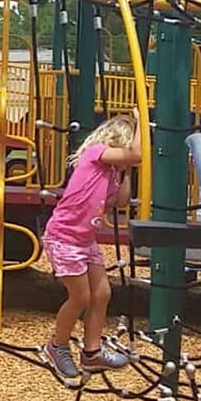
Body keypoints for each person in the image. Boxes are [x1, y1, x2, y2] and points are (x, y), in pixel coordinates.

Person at [42, 107, 142, 378]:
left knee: (102, 294)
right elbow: (137, 153)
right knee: (81, 296)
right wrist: (141, 122)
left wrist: (127, 172)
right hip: (64, 236)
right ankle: (57, 345)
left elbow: (121, 201)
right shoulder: (95, 153)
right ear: (118, 142)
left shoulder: (110, 174)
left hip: (85, 241)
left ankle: (92, 353)